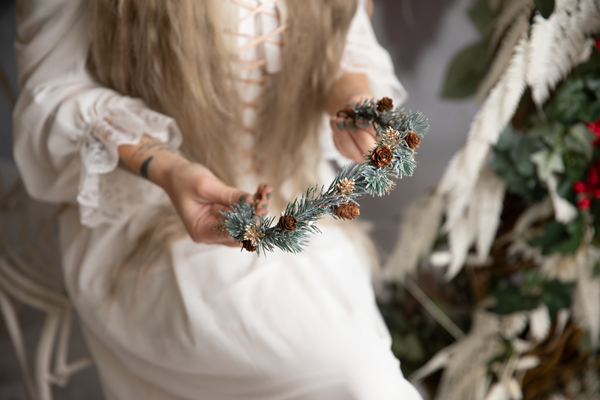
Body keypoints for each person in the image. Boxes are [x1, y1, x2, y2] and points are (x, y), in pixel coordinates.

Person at [13, 0, 422, 398]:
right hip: (151, 210)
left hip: (293, 190)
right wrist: (170, 169)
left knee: (358, 366)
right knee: (346, 372)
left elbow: (344, 45)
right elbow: (54, 94)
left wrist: (352, 104)